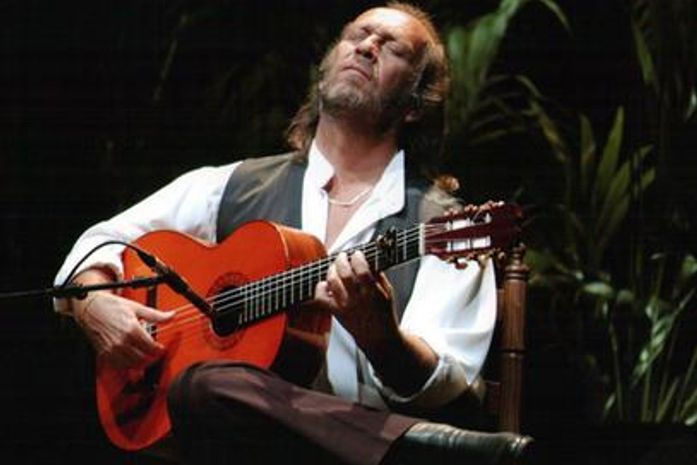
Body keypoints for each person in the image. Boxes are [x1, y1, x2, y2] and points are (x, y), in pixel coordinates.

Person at [54, 3, 531, 465]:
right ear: (325, 69)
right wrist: (92, 302)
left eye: (393, 49)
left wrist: (383, 339)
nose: (366, 46)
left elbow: (447, 383)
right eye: (357, 34)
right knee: (208, 387)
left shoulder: (442, 226)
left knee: (205, 387)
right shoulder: (232, 185)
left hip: (330, 436)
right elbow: (103, 238)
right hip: (243, 439)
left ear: (414, 105)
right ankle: (417, 451)